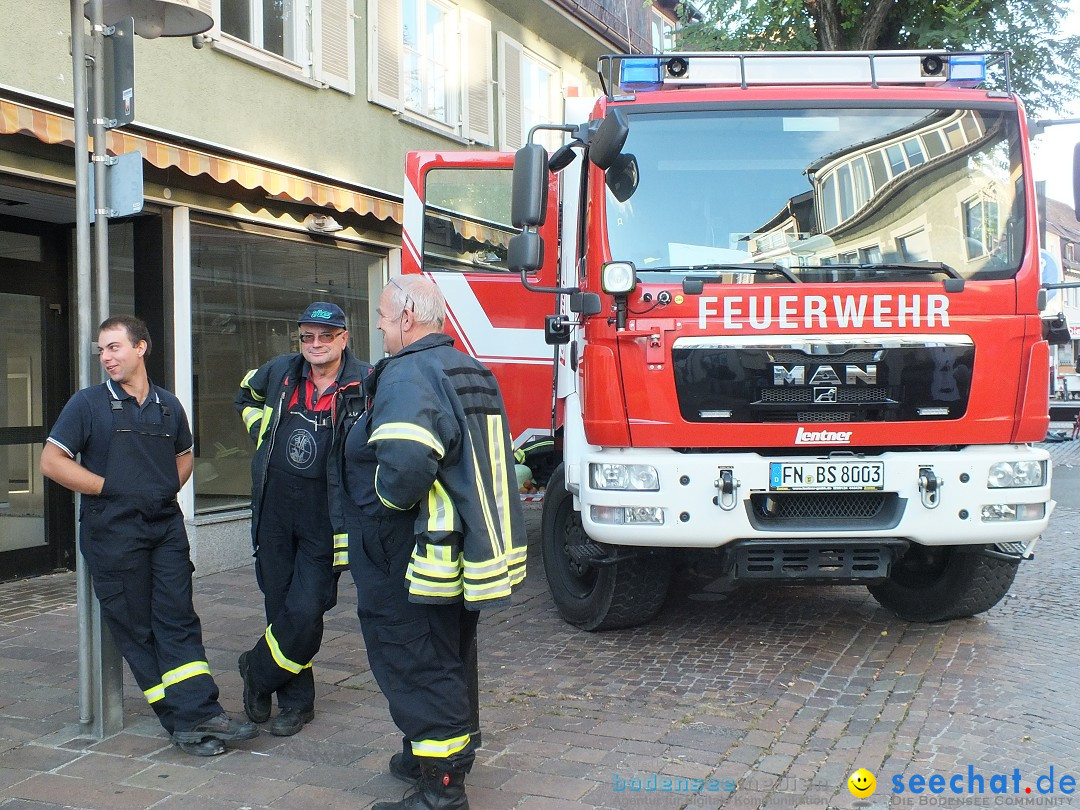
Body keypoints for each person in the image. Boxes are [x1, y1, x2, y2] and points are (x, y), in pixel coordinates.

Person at [335, 276, 526, 810]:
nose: (376, 324)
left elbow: (406, 463)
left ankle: (441, 787)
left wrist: (383, 511)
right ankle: (433, 754)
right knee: (449, 653)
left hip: (410, 550)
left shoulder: (408, 372)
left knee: (412, 657)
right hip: (460, 550)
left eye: (381, 314)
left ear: (408, 316)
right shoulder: (469, 368)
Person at [40, 315, 257, 757]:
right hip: (113, 533)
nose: (107, 357)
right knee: (138, 630)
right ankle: (184, 722)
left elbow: (184, 456)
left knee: (178, 618)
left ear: (142, 348)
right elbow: (52, 462)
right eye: (102, 350)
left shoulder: (167, 406)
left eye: (115, 347)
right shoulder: (88, 404)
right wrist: (112, 488)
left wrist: (158, 491)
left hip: (164, 528)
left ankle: (200, 712)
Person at [234, 301, 371, 737]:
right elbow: (245, 395)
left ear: (344, 338)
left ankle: (258, 669)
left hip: (325, 515)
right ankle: (296, 704)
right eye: (307, 336)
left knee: (307, 609)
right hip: (274, 508)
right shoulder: (279, 371)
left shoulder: (366, 382)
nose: (314, 344)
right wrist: (262, 431)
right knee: (279, 605)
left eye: (325, 336)